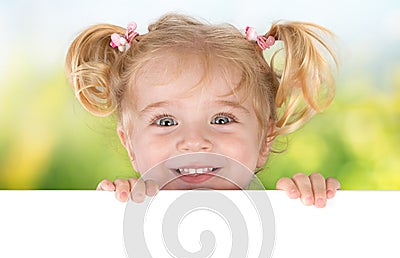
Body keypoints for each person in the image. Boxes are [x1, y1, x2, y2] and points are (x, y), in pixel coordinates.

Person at [65, 13, 341, 207]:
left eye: (221, 119)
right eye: (165, 122)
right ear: (130, 145)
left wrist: (308, 204)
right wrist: (107, 210)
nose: (195, 140)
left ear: (265, 140)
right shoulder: (122, 207)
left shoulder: (284, 208)